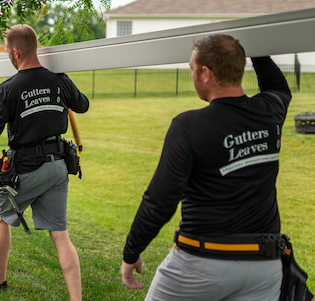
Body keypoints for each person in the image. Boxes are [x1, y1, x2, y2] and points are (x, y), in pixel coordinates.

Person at [121, 34, 292, 300]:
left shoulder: (188, 126)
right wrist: (257, 46)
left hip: (200, 263)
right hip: (263, 268)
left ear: (205, 73)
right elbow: (280, 89)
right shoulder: (269, 112)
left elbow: (161, 200)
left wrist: (132, 251)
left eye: (191, 68)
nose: (191, 75)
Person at [0, 24, 89, 300]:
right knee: (60, 234)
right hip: (59, 165)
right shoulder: (59, 79)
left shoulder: (7, 89)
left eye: (7, 53)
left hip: (26, 169)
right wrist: (61, 83)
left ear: (14, 52)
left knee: (1, 219)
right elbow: (82, 105)